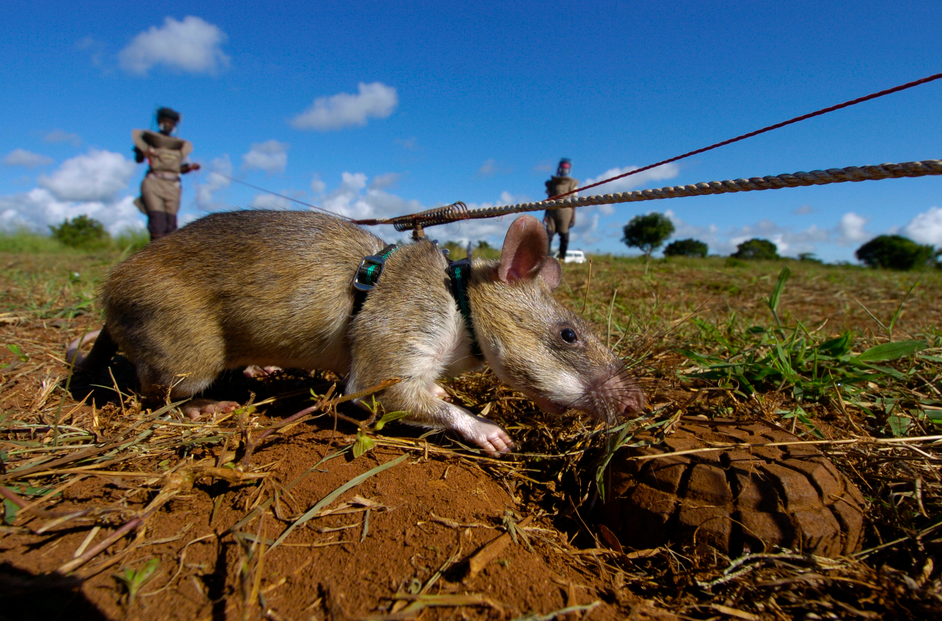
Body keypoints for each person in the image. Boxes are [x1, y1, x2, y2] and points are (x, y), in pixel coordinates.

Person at [132, 107, 200, 241]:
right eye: (164, 121)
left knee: (171, 225)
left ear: (175, 125)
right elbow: (139, 159)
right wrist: (143, 152)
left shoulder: (179, 147)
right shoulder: (149, 141)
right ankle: (154, 258)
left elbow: (182, 168)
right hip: (154, 183)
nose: (167, 125)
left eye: (171, 123)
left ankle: (168, 259)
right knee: (157, 222)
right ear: (159, 122)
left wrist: (191, 167)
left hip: (173, 187)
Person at [543, 157, 579, 258]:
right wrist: (546, 215)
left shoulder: (573, 184)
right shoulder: (552, 184)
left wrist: (573, 217)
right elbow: (548, 199)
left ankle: (562, 257)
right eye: (563, 167)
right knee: (548, 235)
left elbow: (574, 201)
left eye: (566, 168)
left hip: (566, 213)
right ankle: (544, 257)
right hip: (552, 212)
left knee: (564, 236)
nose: (564, 170)